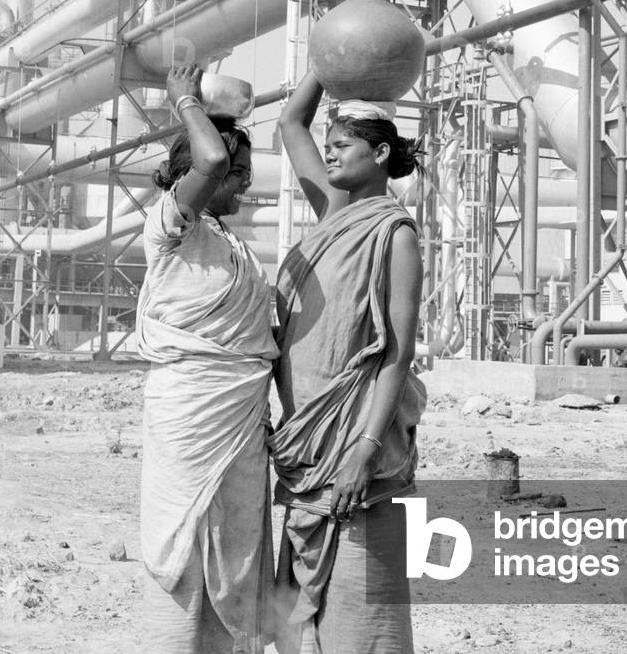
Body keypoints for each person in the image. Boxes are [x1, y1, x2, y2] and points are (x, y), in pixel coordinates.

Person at [271, 69, 426, 654]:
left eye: (343, 146)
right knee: (294, 617)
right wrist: (324, 60)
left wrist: (363, 449)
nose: (329, 154)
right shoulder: (332, 210)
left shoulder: (396, 234)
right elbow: (290, 123)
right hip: (304, 445)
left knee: (363, 617)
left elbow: (396, 352)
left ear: (380, 152)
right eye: (328, 146)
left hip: (357, 450)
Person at [136, 65, 278, 654]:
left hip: (243, 420)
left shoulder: (231, 244)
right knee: (181, 551)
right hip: (190, 416)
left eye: (246, 173)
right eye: (237, 173)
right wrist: (185, 99)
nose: (242, 183)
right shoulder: (172, 227)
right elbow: (212, 163)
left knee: (236, 553)